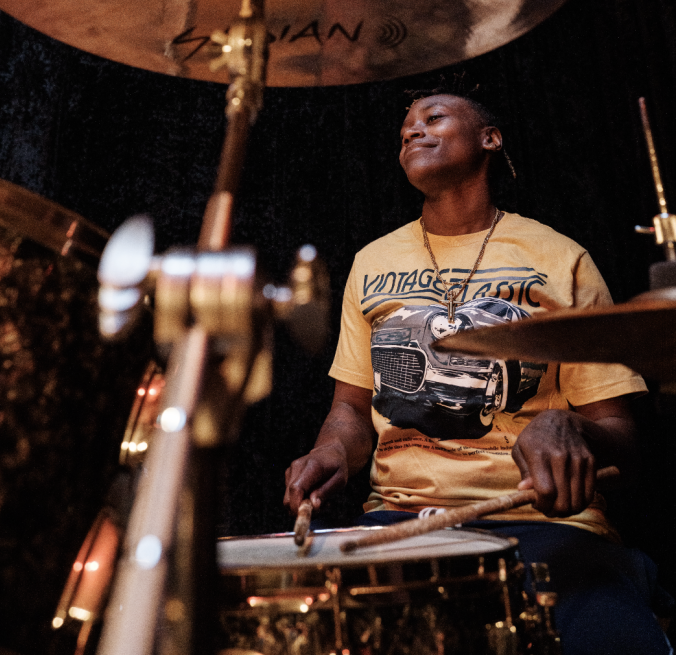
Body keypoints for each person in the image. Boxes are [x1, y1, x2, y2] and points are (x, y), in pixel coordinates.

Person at [284, 90, 672, 655]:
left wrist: (572, 428)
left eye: (433, 118)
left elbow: (624, 439)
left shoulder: (561, 258)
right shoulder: (372, 262)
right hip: (398, 522)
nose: (412, 132)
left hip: (539, 522)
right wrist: (330, 453)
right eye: (404, 129)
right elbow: (350, 407)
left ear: (489, 138)